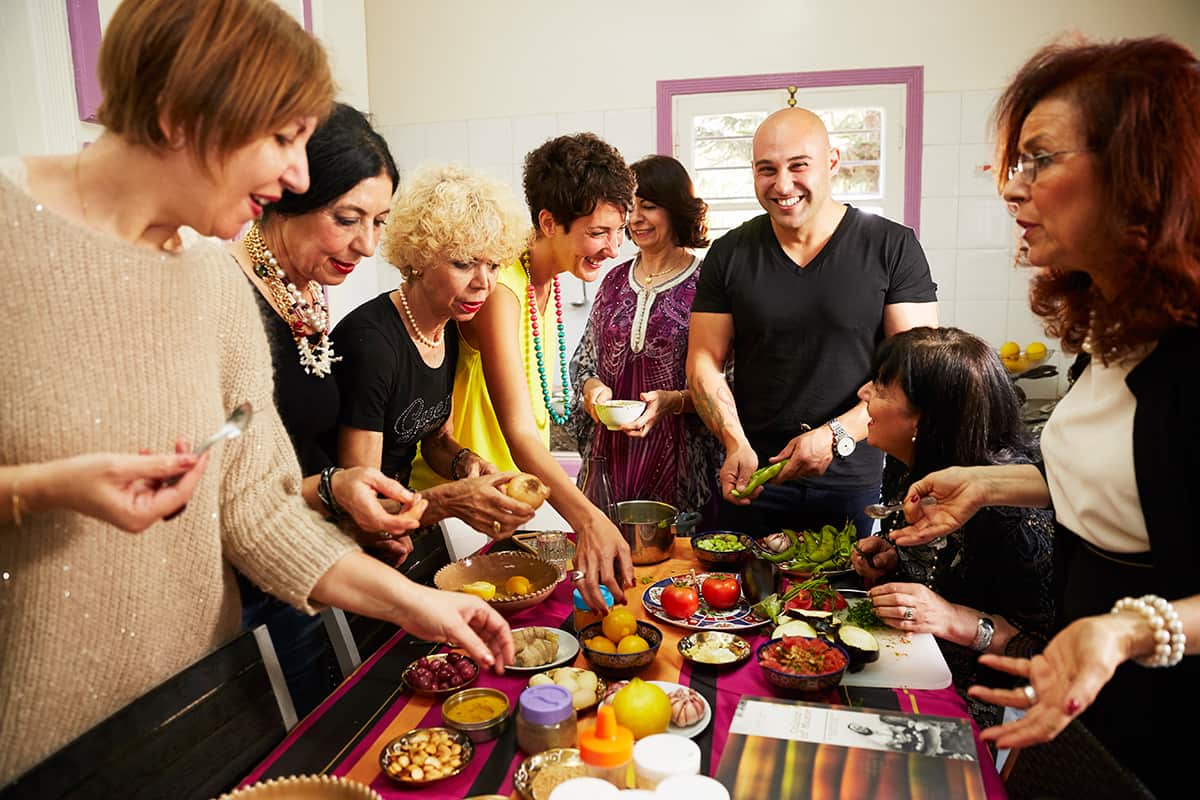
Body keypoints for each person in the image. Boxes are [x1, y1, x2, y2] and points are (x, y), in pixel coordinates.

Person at [0, 0, 511, 783]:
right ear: (179, 116)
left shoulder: (210, 277)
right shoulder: (10, 235)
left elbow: (258, 507)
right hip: (37, 746)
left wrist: (418, 604)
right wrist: (41, 489)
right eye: (283, 140)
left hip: (200, 707)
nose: (298, 177)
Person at [889, 36, 1200, 796]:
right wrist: (989, 484)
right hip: (1084, 686)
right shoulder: (1113, 332)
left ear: (1140, 174)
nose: (1012, 188)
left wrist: (1130, 629)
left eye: (1040, 159)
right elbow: (1120, 487)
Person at [227, 102, 433, 715]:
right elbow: (235, 486)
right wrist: (336, 489)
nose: (367, 246)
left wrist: (352, 514)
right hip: (246, 588)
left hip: (312, 560)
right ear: (285, 195)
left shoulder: (305, 292)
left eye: (379, 222)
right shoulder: (231, 298)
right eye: (348, 219)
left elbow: (302, 448)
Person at [687, 107, 938, 539]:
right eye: (767, 170)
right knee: (744, 603)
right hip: (752, 479)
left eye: (798, 165)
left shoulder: (890, 246)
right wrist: (734, 441)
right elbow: (703, 362)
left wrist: (837, 434)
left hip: (856, 481)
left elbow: (919, 373)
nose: (782, 185)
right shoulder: (729, 254)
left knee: (846, 603)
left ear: (833, 162)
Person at [413, 133, 636, 612]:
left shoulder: (549, 283)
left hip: (501, 510)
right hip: (458, 513)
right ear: (549, 222)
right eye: (598, 232)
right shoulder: (501, 290)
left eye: (620, 232)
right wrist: (588, 519)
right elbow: (517, 431)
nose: (613, 248)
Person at [849, 327, 1054, 730]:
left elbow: (1047, 655)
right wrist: (892, 561)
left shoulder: (1010, 514)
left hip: (982, 708)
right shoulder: (908, 466)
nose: (863, 393)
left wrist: (953, 618)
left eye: (882, 388)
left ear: (925, 421)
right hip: (913, 664)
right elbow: (943, 572)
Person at [333, 162, 536, 551]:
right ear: (419, 258)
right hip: (346, 544)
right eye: (463, 263)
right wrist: (454, 501)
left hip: (399, 524)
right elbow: (362, 505)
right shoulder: (372, 345)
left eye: (493, 265)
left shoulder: (449, 327)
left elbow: (435, 437)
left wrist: (464, 462)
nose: (484, 283)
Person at [568, 155, 722, 527]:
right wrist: (593, 391)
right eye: (629, 208)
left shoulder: (707, 285)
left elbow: (727, 380)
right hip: (611, 457)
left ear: (676, 211)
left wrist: (674, 402)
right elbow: (584, 361)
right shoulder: (613, 280)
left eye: (649, 207)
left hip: (679, 464)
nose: (635, 219)